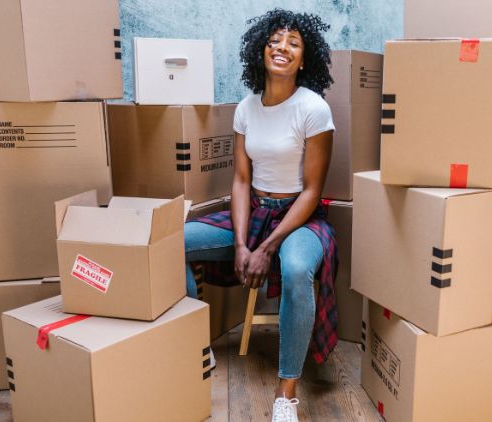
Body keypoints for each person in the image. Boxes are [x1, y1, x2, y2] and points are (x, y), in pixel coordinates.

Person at [183, 9, 338, 422]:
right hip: (255, 212)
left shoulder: (314, 108)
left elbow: (312, 191)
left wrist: (265, 247)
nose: (281, 47)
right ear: (260, 49)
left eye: (293, 43)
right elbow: (239, 180)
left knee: (298, 267)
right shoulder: (246, 109)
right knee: (172, 242)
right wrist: (239, 244)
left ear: (304, 59)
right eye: (274, 40)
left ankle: (286, 392)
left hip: (300, 217)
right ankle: (193, 349)